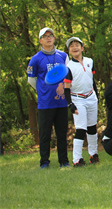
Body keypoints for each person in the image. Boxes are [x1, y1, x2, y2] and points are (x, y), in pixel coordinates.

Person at [27, 27, 70, 169]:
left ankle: (64, 161)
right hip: (45, 104)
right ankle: (44, 162)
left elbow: (69, 76)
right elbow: (31, 80)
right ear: (40, 40)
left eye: (51, 35)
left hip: (62, 102)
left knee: (62, 134)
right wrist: (43, 91)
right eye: (45, 36)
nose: (49, 38)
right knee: (45, 135)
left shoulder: (63, 56)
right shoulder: (35, 59)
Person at [63, 36, 99, 167]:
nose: (74, 47)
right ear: (69, 50)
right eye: (71, 46)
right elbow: (66, 88)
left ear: (82, 48)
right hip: (77, 98)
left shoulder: (90, 61)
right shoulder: (68, 67)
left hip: (91, 97)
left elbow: (92, 80)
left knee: (92, 127)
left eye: (77, 45)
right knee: (80, 129)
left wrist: (97, 96)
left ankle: (93, 154)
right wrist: (70, 104)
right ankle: (77, 159)